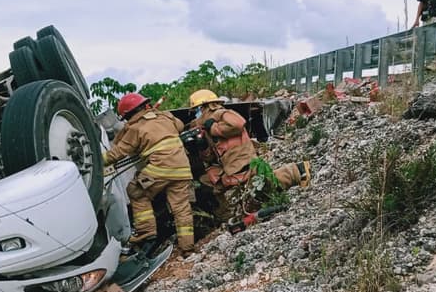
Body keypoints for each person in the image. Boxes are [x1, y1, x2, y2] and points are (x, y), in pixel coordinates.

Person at [103, 93, 195, 254]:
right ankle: (187, 249)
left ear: (128, 115)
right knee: (181, 209)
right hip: (182, 169)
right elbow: (180, 126)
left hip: (159, 169)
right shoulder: (166, 117)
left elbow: (117, 153)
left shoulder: (135, 128)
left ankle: (147, 234)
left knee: (136, 192)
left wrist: (97, 162)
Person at [188, 89, 311, 203]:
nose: (196, 115)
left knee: (262, 186)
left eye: (197, 111)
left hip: (241, 160)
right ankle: (229, 215)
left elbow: (238, 123)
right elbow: (212, 154)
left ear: (204, 107)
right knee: (220, 184)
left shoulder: (221, 114)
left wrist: (214, 128)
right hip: (232, 164)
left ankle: (297, 170)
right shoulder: (207, 125)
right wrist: (202, 146)